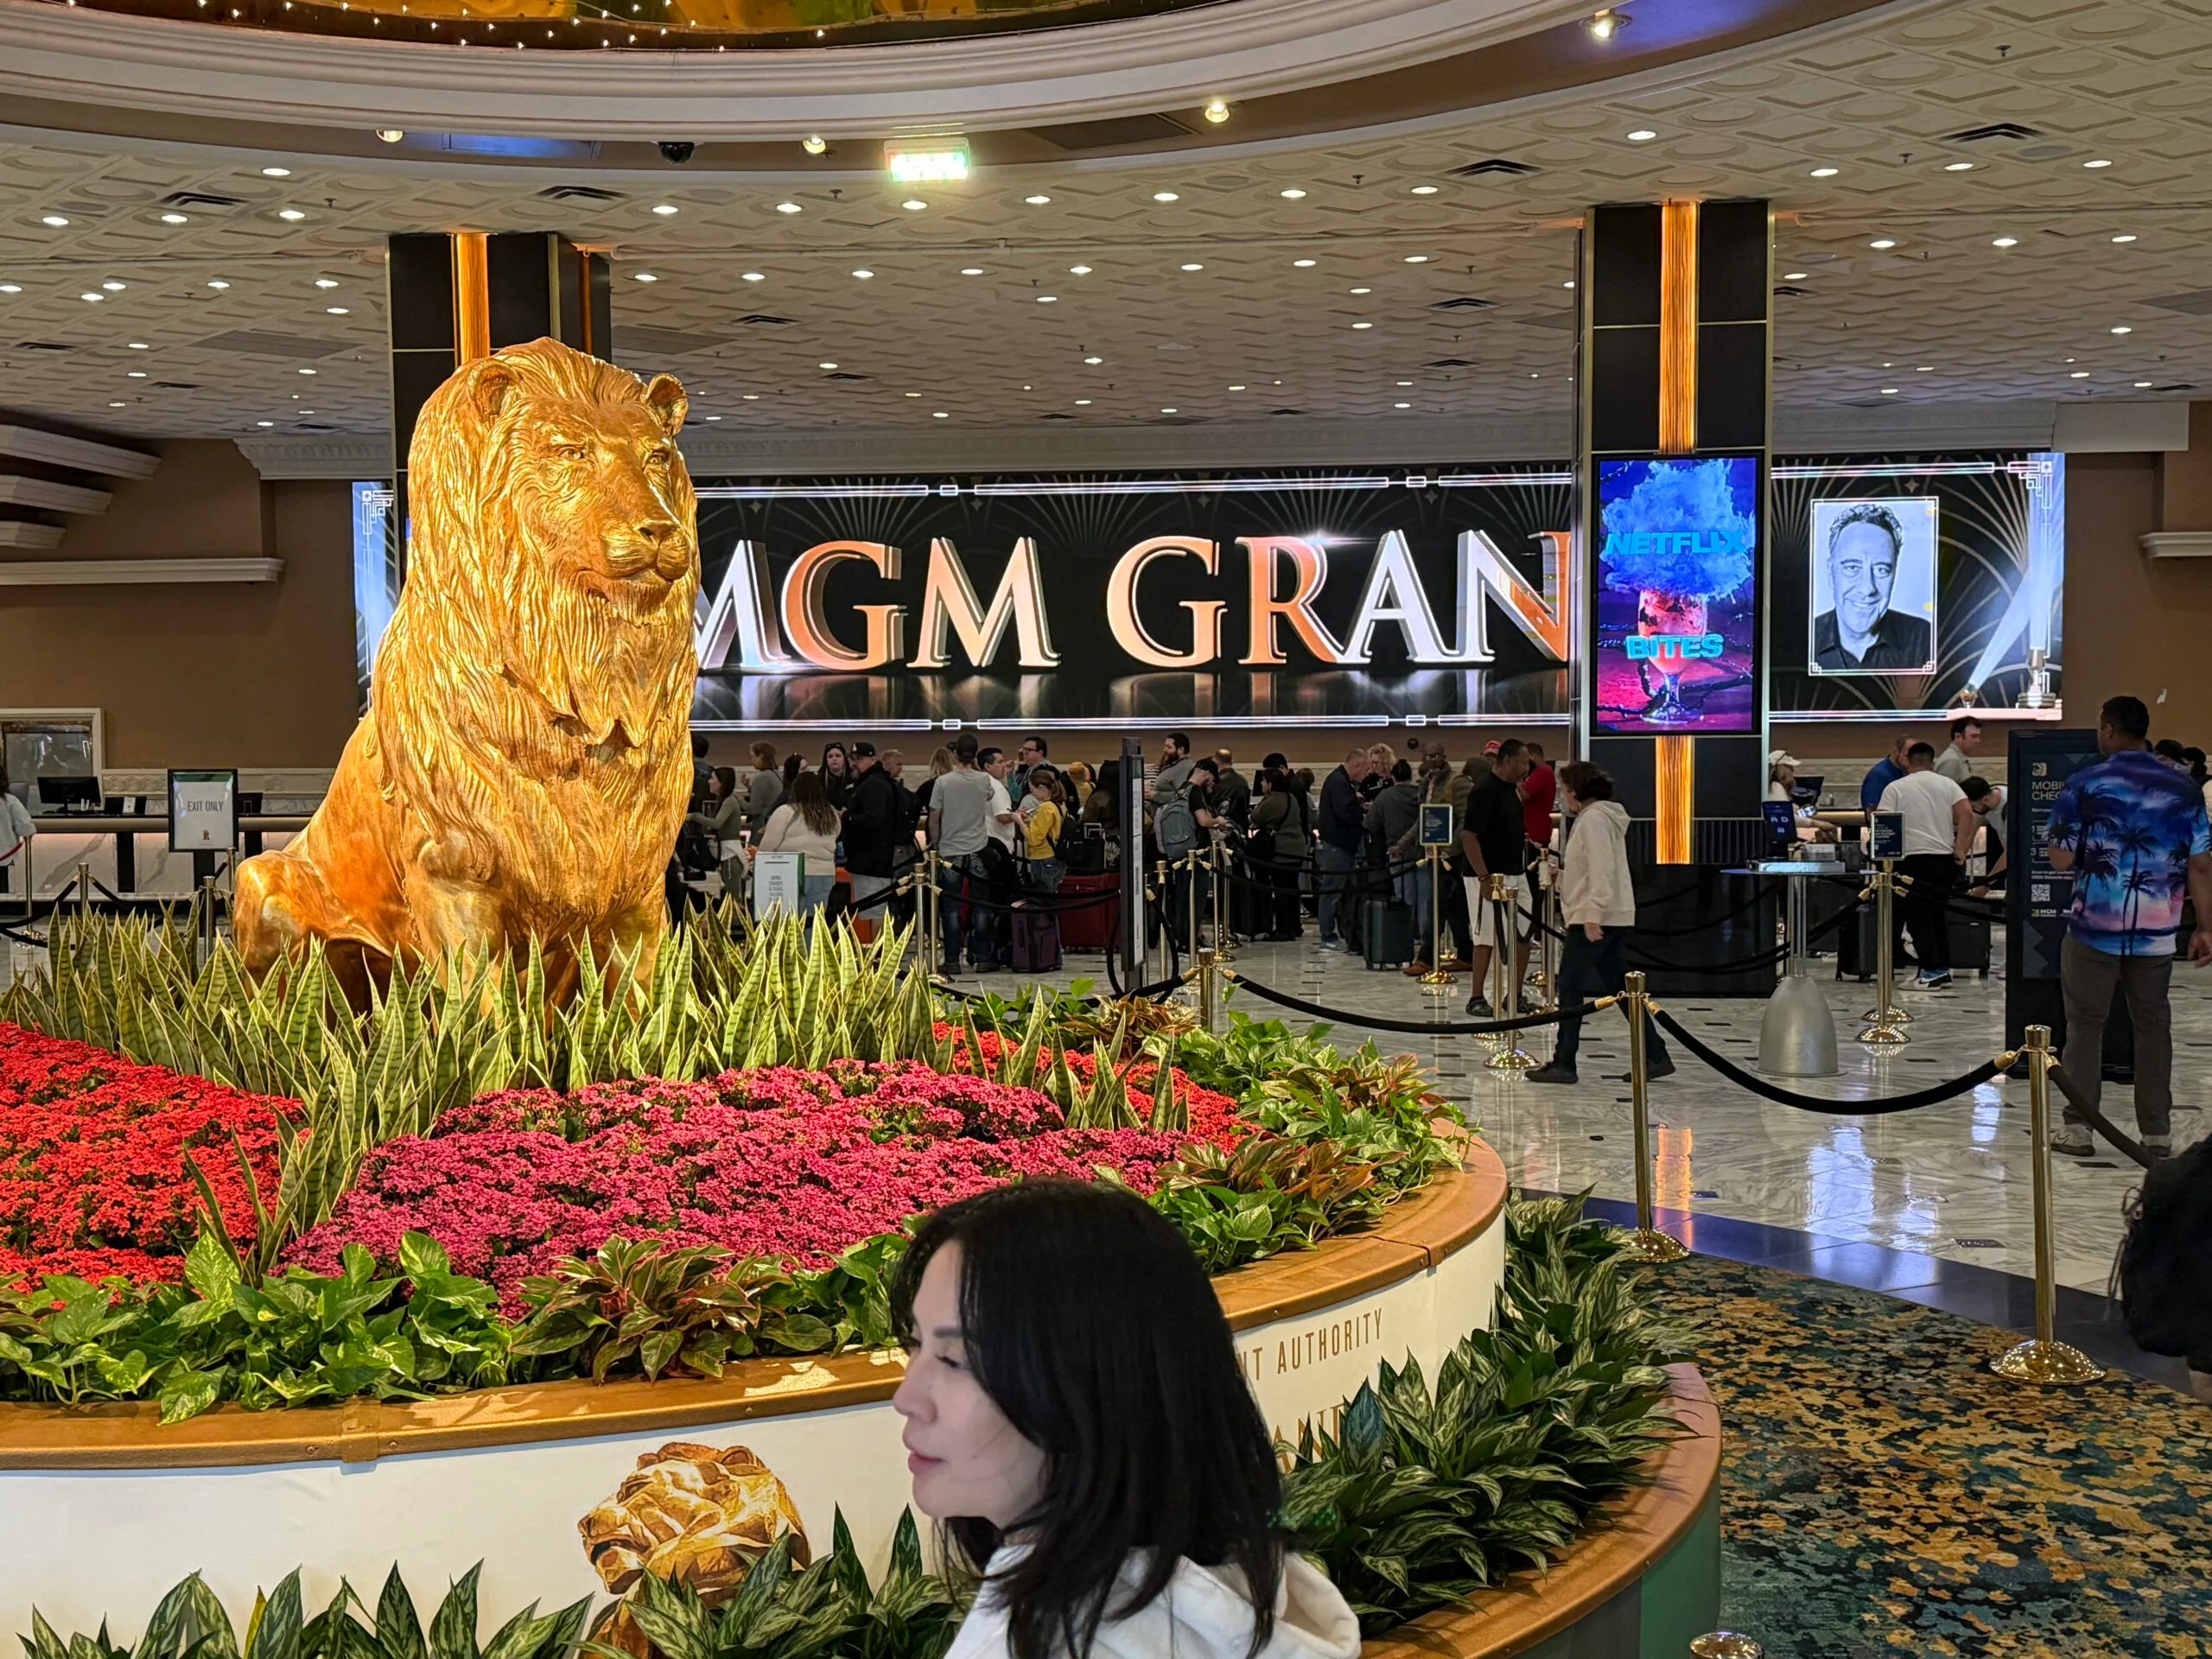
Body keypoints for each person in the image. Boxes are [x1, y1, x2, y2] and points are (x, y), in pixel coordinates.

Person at [891, 1180, 1362, 1659]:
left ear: (1092, 1386)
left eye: (954, 1360)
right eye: (915, 1345)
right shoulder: (1244, 1592)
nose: (907, 1398)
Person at [2045, 695, 2212, 1160]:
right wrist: (2206, 928)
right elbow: (2201, 864)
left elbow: (2059, 858)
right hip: (2157, 930)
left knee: (2085, 1027)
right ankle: (2157, 1132)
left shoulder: (2084, 783)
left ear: (2109, 730)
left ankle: (2079, 1129)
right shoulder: (2184, 788)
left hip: (2093, 927)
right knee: (2153, 1026)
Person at [1525, 763, 1676, 1085]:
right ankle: (1655, 1054)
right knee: (1621, 988)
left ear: (1576, 790)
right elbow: (1592, 870)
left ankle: (1565, 1062)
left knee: (1570, 986)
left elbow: (1602, 869)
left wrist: (1592, 915)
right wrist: (1561, 878)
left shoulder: (1594, 819)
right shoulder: (1599, 817)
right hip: (1606, 913)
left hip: (1595, 918)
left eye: (1564, 790)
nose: (1562, 796)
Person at [1876, 741, 1975, 993]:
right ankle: (1941, 969)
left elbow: (1885, 824)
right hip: (1943, 858)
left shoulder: (1895, 788)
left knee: (1918, 918)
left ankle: (1931, 972)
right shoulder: (1948, 784)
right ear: (1932, 763)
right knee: (1937, 916)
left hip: (1911, 860)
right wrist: (1961, 848)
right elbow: (1967, 814)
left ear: (1907, 761)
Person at [1812, 502, 1932, 671]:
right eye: (1852, 567)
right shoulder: (1802, 639)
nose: (1867, 589)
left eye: (1881, 570)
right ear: (1831, 573)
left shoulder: (1925, 639)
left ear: (1894, 575)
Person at [1461, 739, 1533, 1016]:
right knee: (1485, 936)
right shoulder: (1483, 791)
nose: (1527, 768)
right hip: (1487, 874)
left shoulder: (1513, 790)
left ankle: (1515, 993)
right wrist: (1483, 877)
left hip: (1515, 871)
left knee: (1524, 933)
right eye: (1523, 762)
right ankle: (1476, 996)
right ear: (1508, 760)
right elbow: (1469, 836)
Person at [929, 735, 1000, 976]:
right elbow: (989, 795)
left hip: (951, 851)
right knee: (981, 906)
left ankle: (952, 961)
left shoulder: (943, 782)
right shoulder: (983, 779)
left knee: (950, 908)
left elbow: (934, 817)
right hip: (978, 848)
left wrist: (936, 844)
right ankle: (982, 959)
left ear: (955, 754)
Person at [755, 767, 841, 922]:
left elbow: (768, 845)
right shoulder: (831, 813)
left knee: (792, 923)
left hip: (792, 872)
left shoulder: (786, 811)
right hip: (825, 873)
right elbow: (836, 835)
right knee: (815, 923)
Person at [1363, 760, 1424, 971]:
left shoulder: (1385, 796)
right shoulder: (1421, 794)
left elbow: (1370, 823)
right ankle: (1423, 936)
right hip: (1423, 852)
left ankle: (1406, 934)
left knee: (1404, 897)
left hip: (1397, 853)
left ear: (1393, 777)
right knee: (1424, 898)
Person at [1313, 750, 1370, 952]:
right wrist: (1361, 810)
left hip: (1338, 846)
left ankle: (1340, 933)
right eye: (1366, 769)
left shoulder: (1339, 781)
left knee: (1338, 892)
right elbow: (1346, 812)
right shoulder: (1339, 783)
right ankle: (1328, 935)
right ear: (1356, 766)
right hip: (1337, 847)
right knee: (1332, 892)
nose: (1367, 774)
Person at [842, 741, 904, 925]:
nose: (855, 763)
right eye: (853, 759)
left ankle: (879, 946)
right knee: (873, 910)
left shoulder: (873, 785)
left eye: (859, 759)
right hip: (870, 859)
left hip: (871, 860)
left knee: (875, 910)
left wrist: (847, 817)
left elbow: (874, 819)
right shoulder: (873, 782)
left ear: (872, 759)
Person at [1247, 767, 1306, 940]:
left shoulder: (1271, 802)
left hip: (1282, 851)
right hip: (1297, 849)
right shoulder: (1291, 798)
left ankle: (1283, 930)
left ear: (1270, 784)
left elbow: (1254, 818)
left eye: (1263, 781)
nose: (1261, 784)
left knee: (1281, 891)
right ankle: (1295, 926)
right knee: (1292, 889)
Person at [695, 766, 746, 899]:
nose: (709, 782)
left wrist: (695, 817)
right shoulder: (725, 800)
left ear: (721, 783)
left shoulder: (729, 801)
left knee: (732, 898)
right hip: (727, 853)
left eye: (712, 779)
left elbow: (717, 823)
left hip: (730, 854)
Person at [1767, 751, 1840, 844]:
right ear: (1783, 769)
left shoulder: (1773, 788)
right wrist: (1819, 823)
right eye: (1790, 768)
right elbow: (1787, 818)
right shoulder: (1776, 787)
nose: (1793, 771)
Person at [1017, 767, 1066, 894]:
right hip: (1052, 857)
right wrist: (1029, 820)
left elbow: (1034, 838)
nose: (1032, 794)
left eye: (1032, 790)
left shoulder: (1045, 808)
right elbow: (1046, 828)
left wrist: (1019, 821)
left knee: (1043, 897)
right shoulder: (1055, 805)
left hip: (1043, 858)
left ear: (1041, 787)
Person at [1961, 776, 2008, 895]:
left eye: (1973, 807)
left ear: (1986, 800)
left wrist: (1986, 885)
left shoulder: (2012, 807)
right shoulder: (1985, 800)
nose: (1973, 811)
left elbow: (2011, 854)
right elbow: (1970, 833)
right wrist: (1959, 854)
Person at [0, 763, 35, 900]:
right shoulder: (9, 801)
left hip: (3, 861)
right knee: (3, 903)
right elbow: (27, 828)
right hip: (3, 862)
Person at [1859, 731, 1912, 813]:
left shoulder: (1905, 771)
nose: (1911, 760)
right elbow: (1871, 811)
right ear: (1896, 751)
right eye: (1907, 756)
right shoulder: (1878, 775)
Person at [744, 741, 784, 837]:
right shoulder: (778, 774)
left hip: (762, 826)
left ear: (761, 756)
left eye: (752, 756)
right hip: (776, 824)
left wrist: (737, 799)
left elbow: (754, 809)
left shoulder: (762, 777)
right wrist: (749, 788)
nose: (751, 760)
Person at [1149, 733, 1196, 806]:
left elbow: (1183, 794)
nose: (1165, 750)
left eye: (1169, 747)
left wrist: (1155, 796)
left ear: (1181, 749)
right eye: (1165, 746)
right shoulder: (1175, 764)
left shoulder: (1184, 768)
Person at [1934, 715, 1983, 785]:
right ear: (1958, 736)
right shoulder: (1951, 761)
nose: (1978, 741)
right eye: (1974, 737)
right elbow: (1945, 790)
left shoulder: (1958, 757)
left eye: (1978, 737)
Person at [1211, 749, 1251, 832]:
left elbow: (1211, 806)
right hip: (1241, 827)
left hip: (1221, 827)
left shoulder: (1215, 782)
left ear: (1215, 761)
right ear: (1232, 761)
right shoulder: (1243, 780)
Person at [821, 741, 856, 813]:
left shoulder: (855, 778)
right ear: (826, 760)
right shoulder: (819, 780)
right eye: (830, 756)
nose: (834, 759)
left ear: (844, 759)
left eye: (838, 756)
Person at [1012, 736, 1049, 802]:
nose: (1024, 753)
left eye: (1027, 750)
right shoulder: (1031, 768)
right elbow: (1017, 795)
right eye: (1023, 750)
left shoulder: (1046, 769)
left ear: (1040, 752)